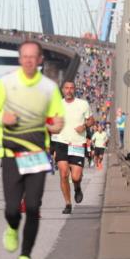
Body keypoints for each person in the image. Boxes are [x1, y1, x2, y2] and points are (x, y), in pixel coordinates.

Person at [0, 40, 64, 259]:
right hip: (11, 154)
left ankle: (25, 257)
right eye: (24, 56)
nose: (29, 60)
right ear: (19, 59)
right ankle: (11, 228)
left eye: (33, 56)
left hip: (38, 155)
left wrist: (57, 125)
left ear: (40, 60)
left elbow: (56, 119)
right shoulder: (6, 84)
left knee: (32, 207)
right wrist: (3, 118)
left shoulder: (50, 88)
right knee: (11, 209)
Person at [51, 81, 91, 215]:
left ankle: (77, 187)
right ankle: (68, 203)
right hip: (62, 143)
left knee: (75, 176)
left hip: (78, 144)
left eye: (71, 88)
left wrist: (84, 126)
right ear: (62, 90)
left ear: (75, 90)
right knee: (63, 174)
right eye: (66, 88)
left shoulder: (83, 104)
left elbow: (91, 120)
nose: (69, 90)